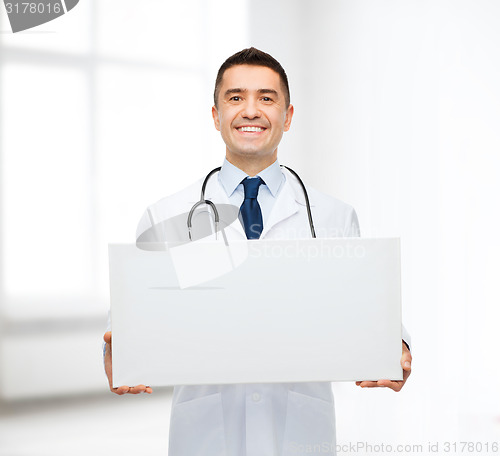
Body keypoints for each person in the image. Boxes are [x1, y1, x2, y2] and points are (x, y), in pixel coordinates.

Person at [103, 47, 412, 456]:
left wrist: (397, 346)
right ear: (215, 116)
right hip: (206, 433)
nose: (251, 110)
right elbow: (129, 323)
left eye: (266, 98)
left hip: (301, 432)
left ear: (288, 116)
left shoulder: (334, 216)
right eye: (235, 98)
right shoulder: (168, 215)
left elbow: (368, 307)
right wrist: (116, 350)